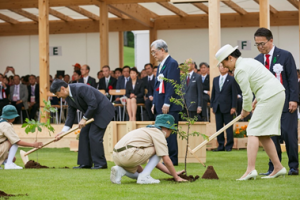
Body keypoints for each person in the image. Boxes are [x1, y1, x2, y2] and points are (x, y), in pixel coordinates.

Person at [216, 44, 286, 180]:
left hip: (270, 96)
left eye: (224, 63)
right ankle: (278, 167)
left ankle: (250, 170)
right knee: (263, 134)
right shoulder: (249, 61)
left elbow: (246, 94)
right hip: (275, 93)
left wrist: (245, 110)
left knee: (253, 130)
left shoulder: (239, 70)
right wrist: (256, 101)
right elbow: (261, 82)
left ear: (230, 58)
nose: (224, 66)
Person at [253, 28, 299, 176]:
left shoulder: (285, 55)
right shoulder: (257, 60)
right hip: (268, 104)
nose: (260, 47)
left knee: (288, 133)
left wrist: (294, 99)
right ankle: (274, 166)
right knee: (271, 135)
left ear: (271, 40)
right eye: (257, 44)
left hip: (286, 102)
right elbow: (256, 83)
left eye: (262, 43)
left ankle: (293, 166)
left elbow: (292, 79)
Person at [51, 79, 115, 169]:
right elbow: (71, 115)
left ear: (62, 89)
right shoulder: (68, 97)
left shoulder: (81, 88)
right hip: (92, 113)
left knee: (94, 135)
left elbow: (93, 104)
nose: (58, 97)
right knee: (83, 134)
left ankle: (100, 164)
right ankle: (85, 163)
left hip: (103, 111)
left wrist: (84, 119)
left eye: (57, 94)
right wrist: (63, 132)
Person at [110, 114, 186, 184]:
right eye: (171, 130)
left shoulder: (147, 130)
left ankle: (120, 170)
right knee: (158, 149)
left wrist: (173, 173)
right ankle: (144, 177)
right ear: (167, 129)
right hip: (129, 154)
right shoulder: (159, 133)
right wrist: (176, 177)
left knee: (140, 174)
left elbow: (154, 162)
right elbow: (166, 160)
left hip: (116, 157)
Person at [151, 39, 181, 166]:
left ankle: (173, 159)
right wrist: (154, 102)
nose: (153, 55)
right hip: (160, 102)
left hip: (169, 105)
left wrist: (167, 102)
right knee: (161, 133)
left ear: (162, 50)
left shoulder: (172, 63)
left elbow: (172, 85)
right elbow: (157, 85)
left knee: (170, 133)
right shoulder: (161, 65)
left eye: (154, 52)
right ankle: (165, 159)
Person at [0, 105, 43, 169]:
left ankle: (7, 162)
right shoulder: (6, 125)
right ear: (12, 117)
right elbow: (17, 141)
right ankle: (9, 165)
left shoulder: (2, 122)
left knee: (12, 158)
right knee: (13, 142)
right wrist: (33, 145)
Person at [211, 63, 237, 152]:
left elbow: (234, 94)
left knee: (228, 127)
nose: (221, 68)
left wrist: (234, 106)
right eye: (220, 66)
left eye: (223, 66)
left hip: (228, 107)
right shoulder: (215, 79)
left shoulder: (232, 79)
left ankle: (229, 145)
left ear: (227, 68)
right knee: (219, 127)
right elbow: (213, 93)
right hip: (217, 106)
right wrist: (212, 105)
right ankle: (220, 145)